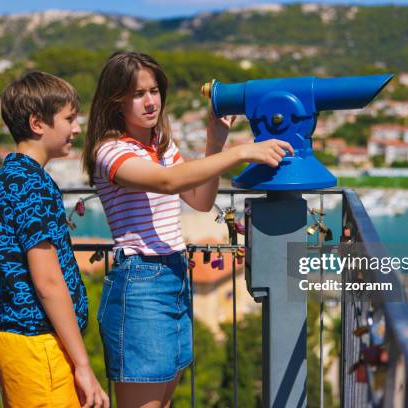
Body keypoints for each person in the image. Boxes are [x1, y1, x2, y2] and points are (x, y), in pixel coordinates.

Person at [82, 51, 293, 407]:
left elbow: (199, 200)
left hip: (174, 276)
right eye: (138, 93)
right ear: (116, 99)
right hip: (140, 284)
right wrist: (242, 153)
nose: (150, 101)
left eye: (154, 90)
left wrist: (216, 142)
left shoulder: (161, 147)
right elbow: (166, 182)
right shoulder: (110, 150)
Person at [0, 71, 109, 408]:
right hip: (39, 347)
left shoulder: (12, 177)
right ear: (38, 123)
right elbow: (48, 282)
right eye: (69, 118)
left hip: (26, 346)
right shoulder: (30, 185)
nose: (77, 128)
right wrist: (83, 365)